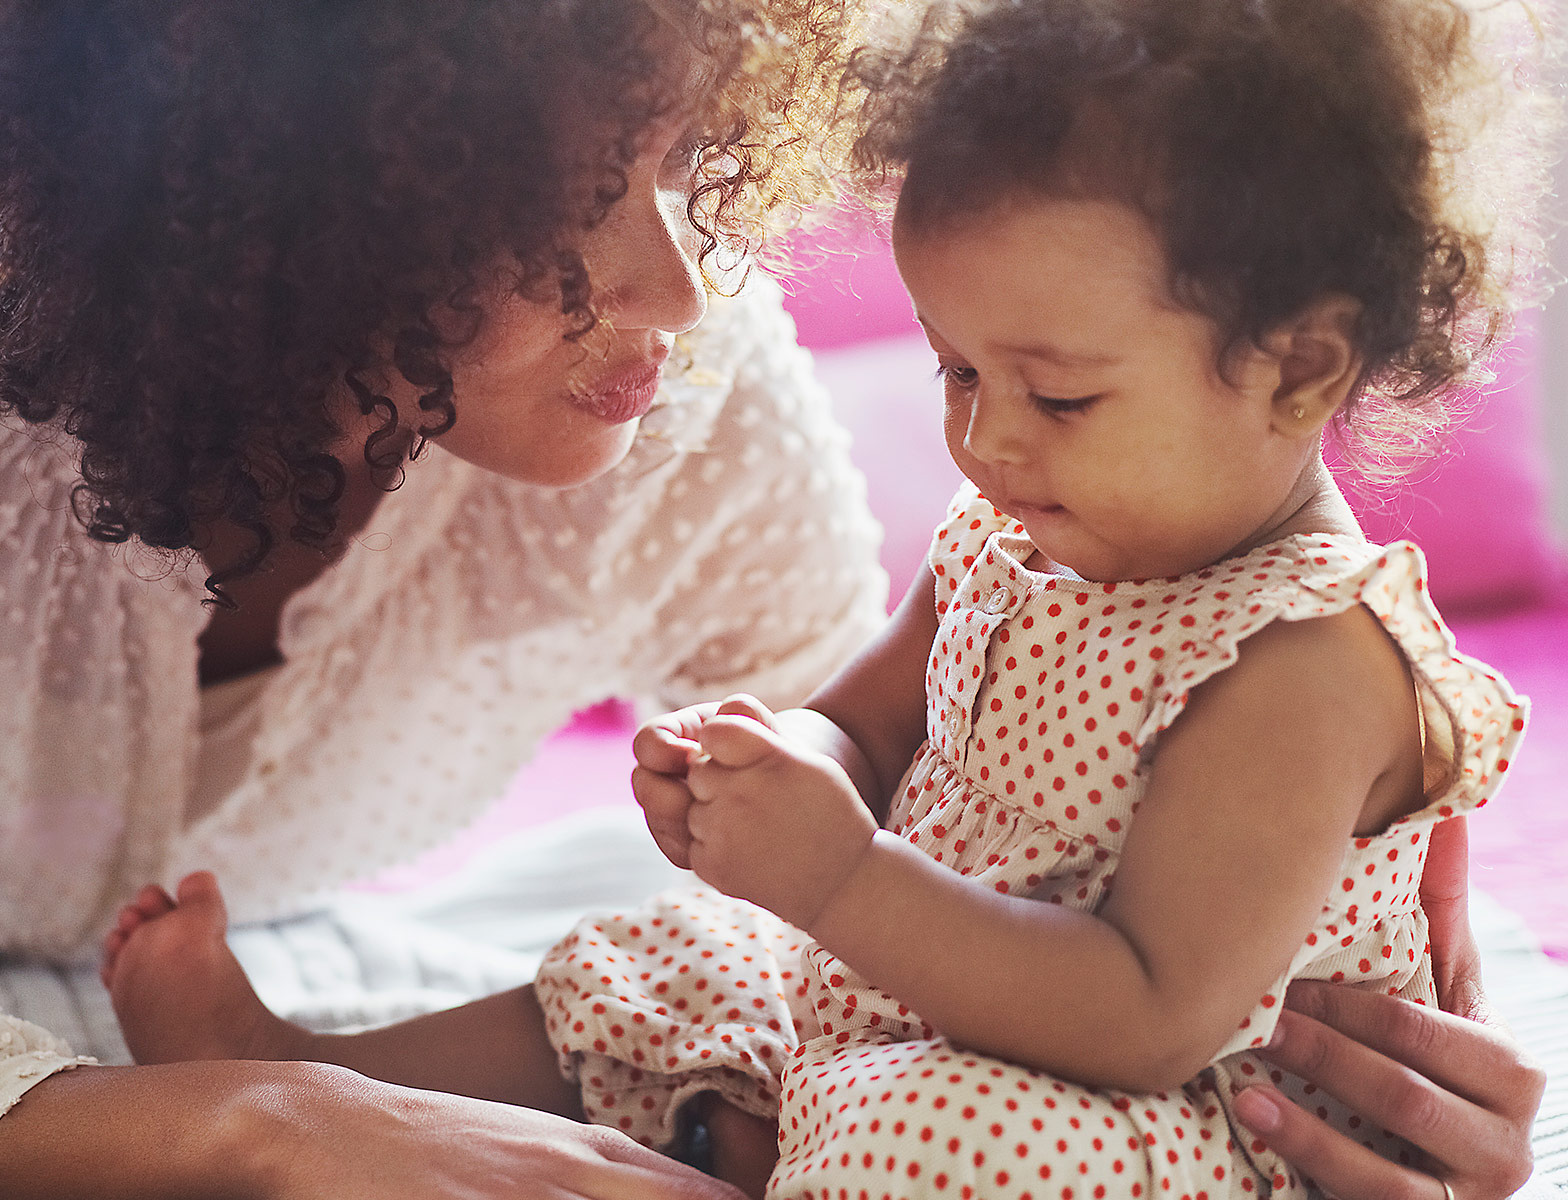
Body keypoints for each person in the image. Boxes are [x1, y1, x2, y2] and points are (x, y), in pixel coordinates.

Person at [97, 1, 1556, 1198]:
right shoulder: (1017, 534)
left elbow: (1146, 1009)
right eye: (956, 369)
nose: (984, 440)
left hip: (1159, 1115)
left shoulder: (1303, 660)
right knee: (666, 965)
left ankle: (745, 1150)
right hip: (921, 994)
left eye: (1054, 390)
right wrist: (774, 768)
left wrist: (842, 880)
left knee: (924, 1138)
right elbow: (863, 729)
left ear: (1299, 372)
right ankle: (296, 1063)